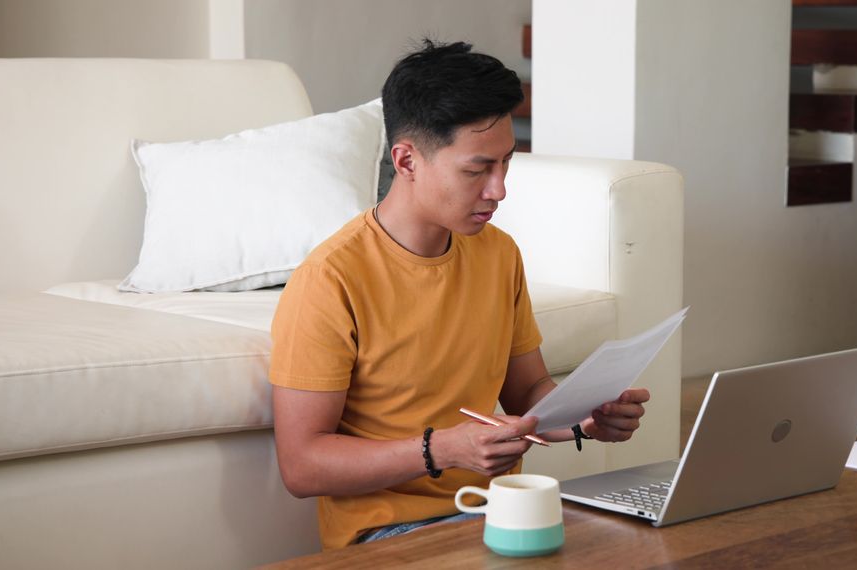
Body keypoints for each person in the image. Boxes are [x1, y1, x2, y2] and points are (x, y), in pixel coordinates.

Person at [268, 39, 651, 550]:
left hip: (501, 511)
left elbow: (528, 393)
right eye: (477, 170)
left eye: (505, 164)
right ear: (406, 161)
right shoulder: (330, 278)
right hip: (391, 532)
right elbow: (302, 466)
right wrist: (442, 450)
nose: (499, 189)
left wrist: (583, 418)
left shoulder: (498, 254)